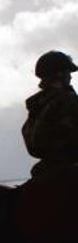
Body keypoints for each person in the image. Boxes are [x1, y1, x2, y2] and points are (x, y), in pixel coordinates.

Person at [21, 50, 78, 178]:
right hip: (70, 168)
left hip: (45, 170)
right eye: (68, 72)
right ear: (60, 74)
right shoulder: (68, 100)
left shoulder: (36, 106)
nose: (70, 76)